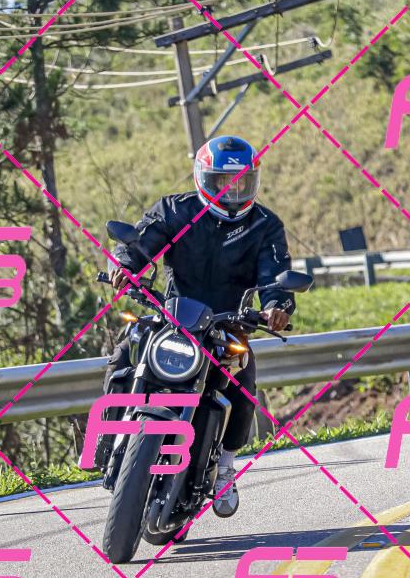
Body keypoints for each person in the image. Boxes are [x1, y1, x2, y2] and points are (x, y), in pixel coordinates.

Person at [104, 135, 295, 518]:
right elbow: (140, 243)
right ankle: (111, 440)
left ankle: (225, 466)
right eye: (222, 182)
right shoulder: (174, 210)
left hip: (228, 323)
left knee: (244, 376)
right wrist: (124, 266)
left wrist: (277, 305)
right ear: (203, 178)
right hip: (174, 317)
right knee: (126, 351)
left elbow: (275, 273)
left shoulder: (265, 225)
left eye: (241, 182)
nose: (232, 191)